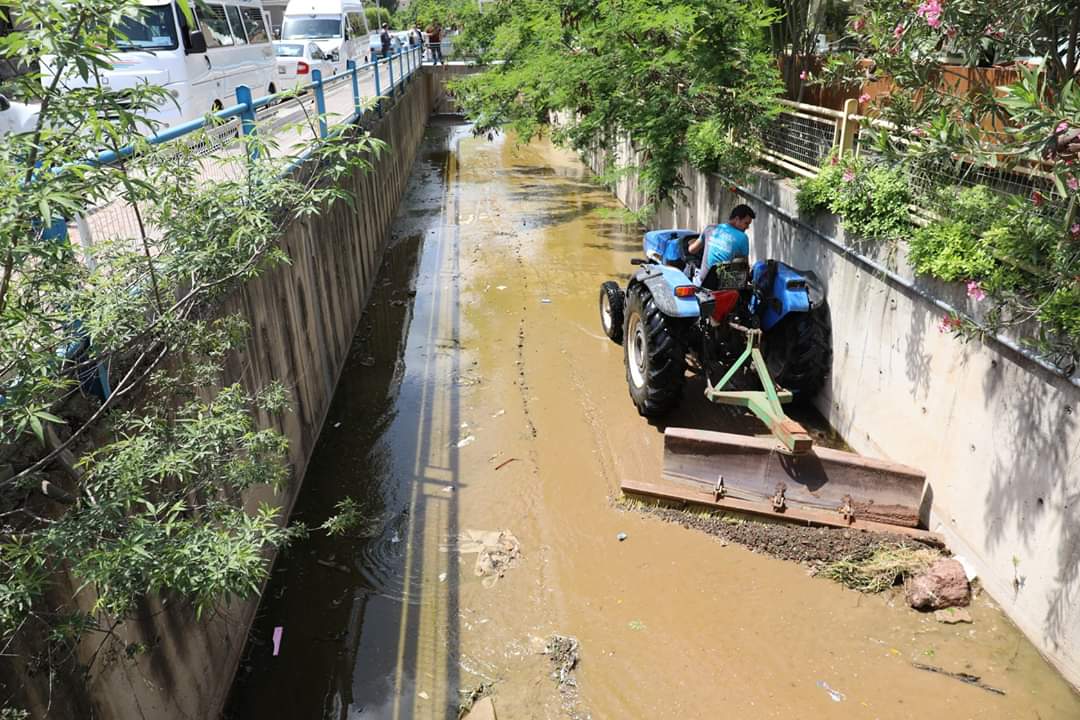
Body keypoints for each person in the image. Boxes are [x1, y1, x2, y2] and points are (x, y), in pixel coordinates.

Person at [688, 204, 755, 286]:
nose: (747, 227)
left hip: (703, 282)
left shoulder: (710, 228)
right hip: (723, 286)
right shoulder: (743, 238)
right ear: (737, 219)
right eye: (746, 223)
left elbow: (691, 250)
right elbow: (744, 267)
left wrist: (691, 243)